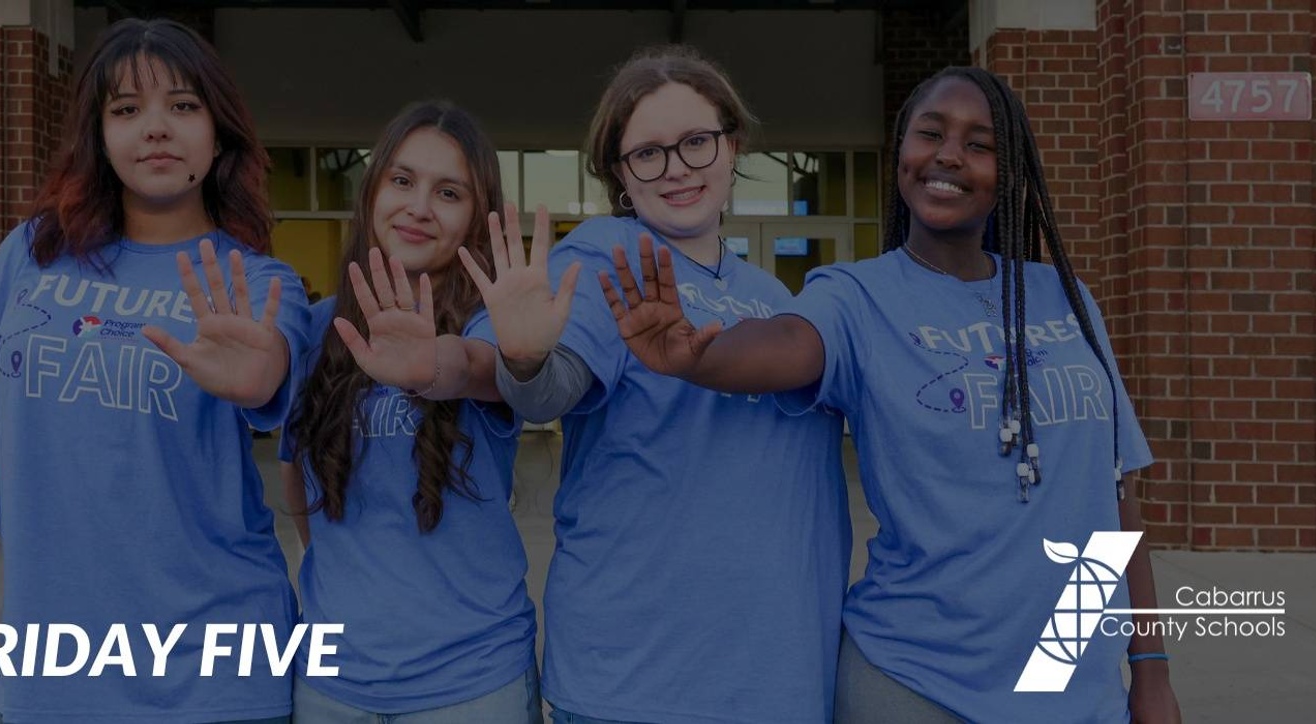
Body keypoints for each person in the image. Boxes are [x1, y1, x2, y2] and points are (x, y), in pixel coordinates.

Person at [600, 66, 1182, 723]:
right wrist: (698, 360)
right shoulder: (855, 297)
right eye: (928, 134)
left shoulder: (1066, 300)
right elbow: (787, 344)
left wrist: (1149, 668)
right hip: (915, 678)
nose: (947, 155)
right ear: (901, 153)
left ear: (1010, 171)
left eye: (979, 144)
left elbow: (1112, 498)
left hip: (1070, 682)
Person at [0, 18, 309, 723]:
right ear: (98, 134)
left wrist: (260, 372)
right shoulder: (30, 253)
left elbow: (271, 370)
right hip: (46, 676)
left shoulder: (258, 284)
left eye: (182, 106)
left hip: (219, 677)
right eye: (126, 109)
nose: (155, 128)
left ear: (219, 135)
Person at [496, 46, 852, 723]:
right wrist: (522, 358)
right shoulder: (607, 256)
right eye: (648, 153)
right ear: (619, 174)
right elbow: (547, 391)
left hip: (772, 673)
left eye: (696, 142)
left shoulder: (773, 296)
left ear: (732, 144)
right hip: (638, 679)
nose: (677, 169)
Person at [280, 101, 568, 723]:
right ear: (373, 190)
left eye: (448, 192)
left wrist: (432, 368)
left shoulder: (491, 327)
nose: (418, 206)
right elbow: (297, 480)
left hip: (472, 685)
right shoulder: (314, 329)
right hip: (333, 685)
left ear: (475, 217)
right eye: (402, 181)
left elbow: (478, 367)